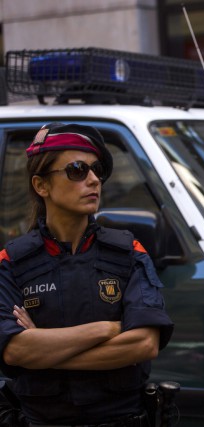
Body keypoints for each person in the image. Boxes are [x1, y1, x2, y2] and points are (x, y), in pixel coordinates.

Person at [0, 123, 174, 425]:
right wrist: (106, 329)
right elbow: (14, 351)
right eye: (77, 170)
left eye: (96, 171)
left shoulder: (129, 251)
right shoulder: (12, 261)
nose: (93, 180)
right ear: (42, 186)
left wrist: (42, 349)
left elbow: (144, 344)